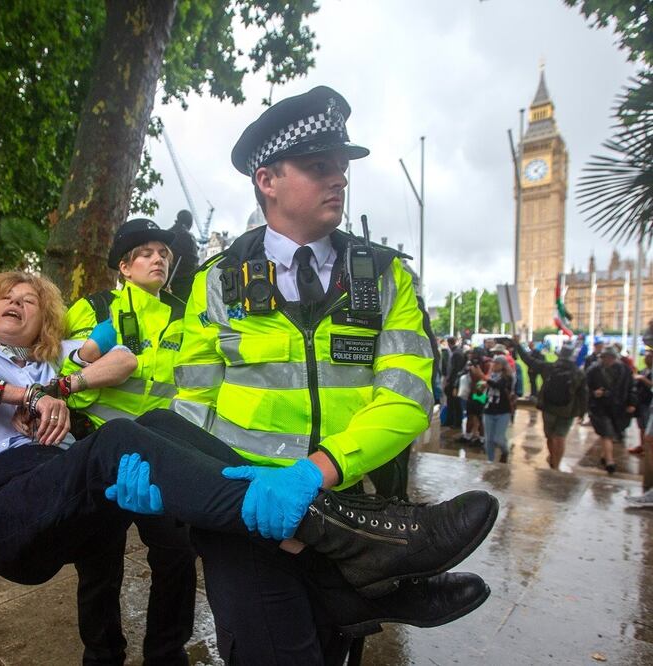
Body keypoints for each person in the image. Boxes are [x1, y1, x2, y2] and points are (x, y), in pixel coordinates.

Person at [0, 274, 496, 665]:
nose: (15, 303)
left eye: (29, 300)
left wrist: (56, 384)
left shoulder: (50, 358)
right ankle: (350, 540)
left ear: (45, 321)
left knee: (157, 424)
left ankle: (340, 575)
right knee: (114, 443)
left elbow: (120, 359)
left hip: (65, 497)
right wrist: (8, 381)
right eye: (4, 297)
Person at [167, 85, 493, 662]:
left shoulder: (387, 275)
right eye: (319, 167)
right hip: (250, 517)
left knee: (335, 651)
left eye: (342, 168)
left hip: (358, 514)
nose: (339, 179)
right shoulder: (216, 282)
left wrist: (317, 474)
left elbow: (408, 395)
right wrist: (216, 499)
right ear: (267, 180)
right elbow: (194, 407)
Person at [62, 220, 197, 665]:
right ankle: (101, 656)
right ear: (124, 266)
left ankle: (167, 653)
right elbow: (62, 377)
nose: (159, 258)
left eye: (164, 253)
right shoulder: (93, 309)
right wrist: (88, 356)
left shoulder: (184, 316)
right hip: (101, 456)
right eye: (146, 252)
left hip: (162, 455)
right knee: (99, 567)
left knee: (177, 560)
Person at [512, 335, 587, 470]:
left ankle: (553, 457)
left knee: (550, 436)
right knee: (560, 437)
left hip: (549, 407)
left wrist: (518, 345)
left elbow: (528, 360)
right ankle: (556, 464)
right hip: (567, 411)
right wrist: (582, 412)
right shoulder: (578, 373)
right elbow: (583, 394)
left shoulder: (549, 368)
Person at [586, 347, 636, 475]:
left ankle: (604, 455)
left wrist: (631, 403)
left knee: (611, 432)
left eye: (611, 358)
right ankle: (610, 461)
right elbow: (585, 387)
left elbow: (631, 387)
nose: (608, 360)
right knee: (606, 433)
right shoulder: (593, 370)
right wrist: (593, 393)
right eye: (605, 357)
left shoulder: (624, 370)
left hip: (618, 406)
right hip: (599, 406)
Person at [483, 355, 514, 463]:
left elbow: (499, 385)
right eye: (494, 363)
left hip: (503, 411)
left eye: (497, 363)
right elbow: (484, 389)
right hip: (489, 409)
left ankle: (505, 451)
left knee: (499, 438)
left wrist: (484, 377)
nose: (494, 365)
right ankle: (490, 460)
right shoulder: (491, 375)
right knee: (489, 439)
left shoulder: (507, 377)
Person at [167, 209, 200, 301]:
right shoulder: (188, 236)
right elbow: (193, 261)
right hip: (182, 282)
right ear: (189, 222)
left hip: (166, 279)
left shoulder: (167, 233)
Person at [629, 349, 653, 456]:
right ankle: (642, 445)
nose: (646, 358)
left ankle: (647, 447)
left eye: (649, 357)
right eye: (646, 356)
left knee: (647, 426)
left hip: (648, 402)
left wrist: (642, 378)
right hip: (641, 401)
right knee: (642, 425)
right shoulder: (645, 370)